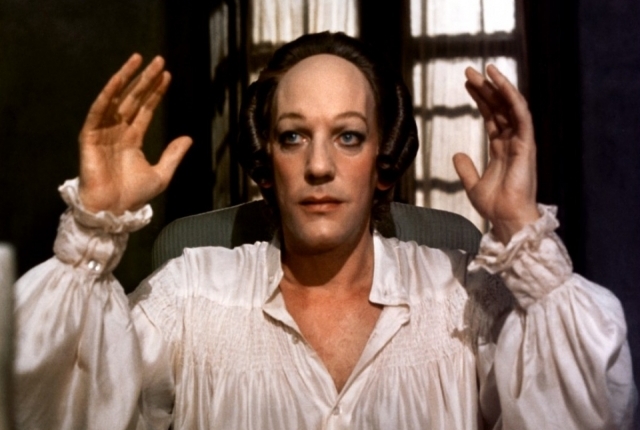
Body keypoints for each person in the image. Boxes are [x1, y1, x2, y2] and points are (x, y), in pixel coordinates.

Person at [13, 32, 635, 429]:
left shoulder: (462, 300)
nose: (318, 165)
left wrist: (521, 228)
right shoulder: (192, 293)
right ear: (267, 158)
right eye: (293, 136)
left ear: (383, 155)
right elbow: (57, 407)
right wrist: (90, 235)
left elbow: (587, 413)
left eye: (348, 136)